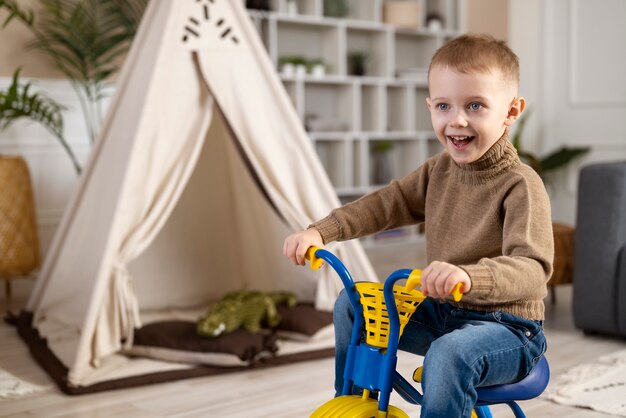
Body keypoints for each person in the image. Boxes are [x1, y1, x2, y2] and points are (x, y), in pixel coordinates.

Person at [283, 34, 553, 418]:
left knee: (449, 352)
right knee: (352, 304)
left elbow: (532, 270)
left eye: (475, 105)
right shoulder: (437, 171)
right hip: (445, 314)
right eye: (443, 106)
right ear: (430, 107)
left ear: (511, 111)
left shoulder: (520, 184)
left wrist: (468, 276)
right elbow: (384, 205)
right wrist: (321, 231)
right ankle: (356, 403)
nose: (456, 120)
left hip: (509, 329)